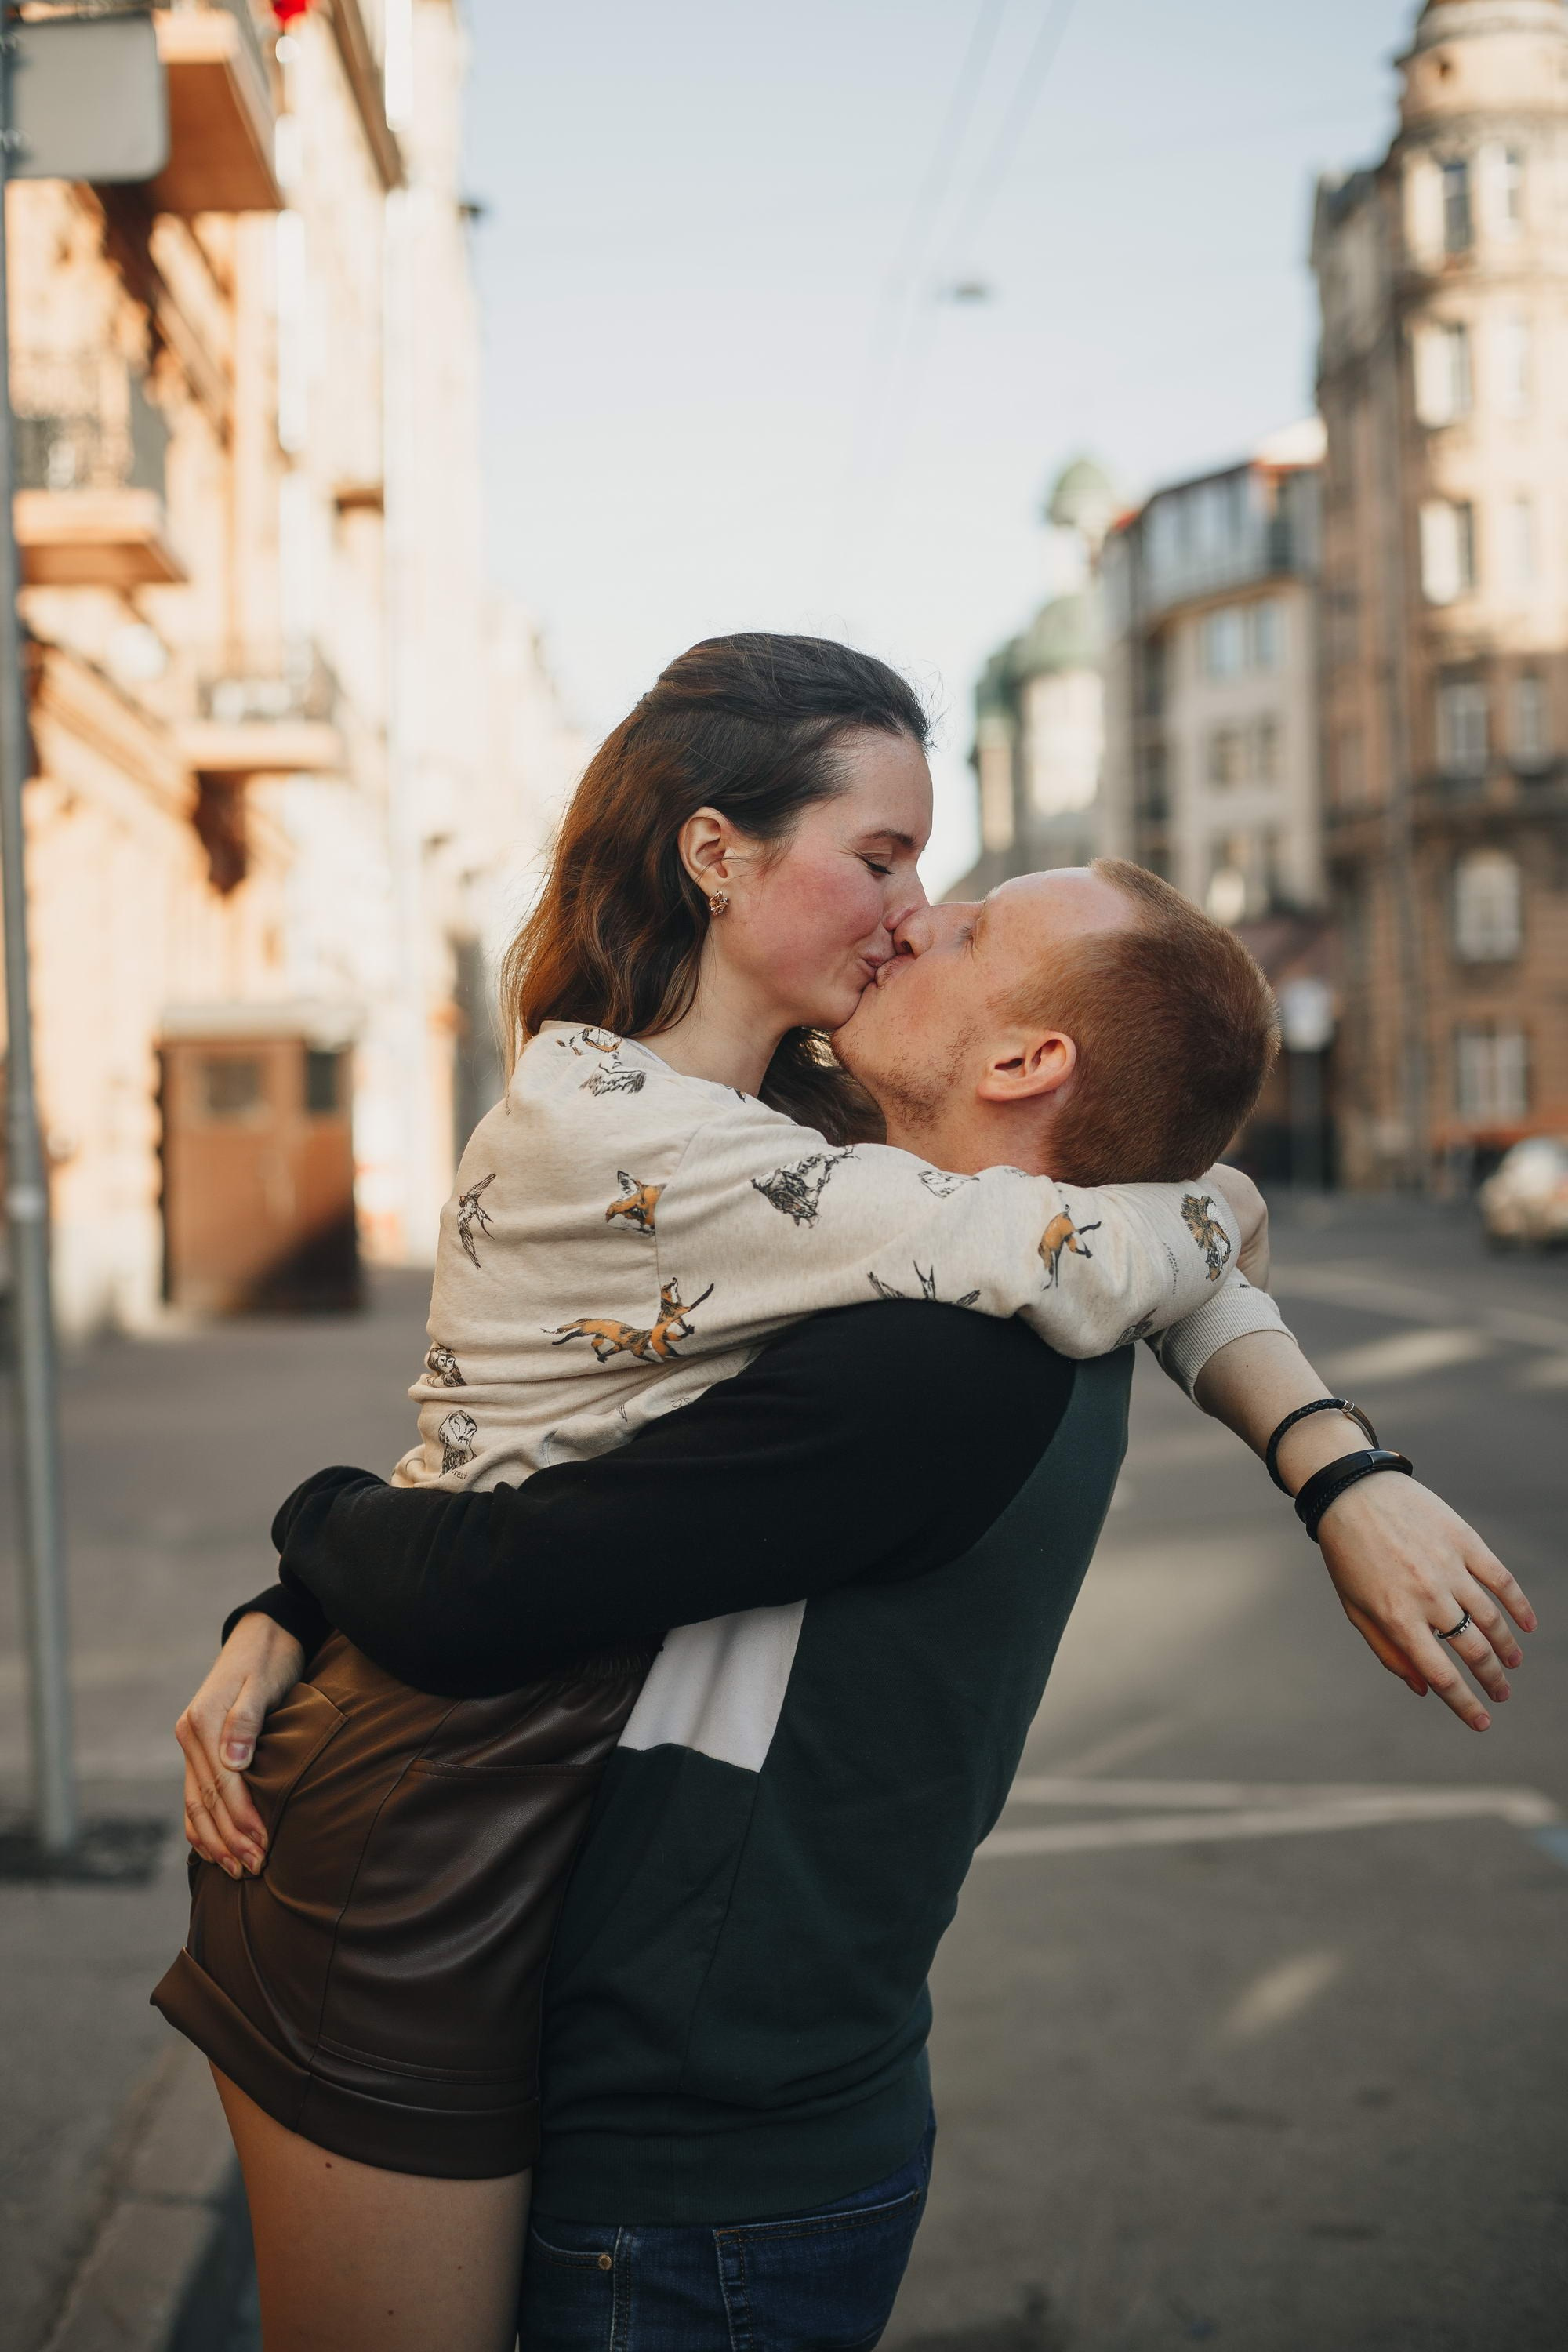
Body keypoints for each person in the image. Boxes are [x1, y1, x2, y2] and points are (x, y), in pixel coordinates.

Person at [167, 637, 1532, 2352]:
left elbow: (488, 1574)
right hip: (505, 1918)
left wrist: (305, 1540)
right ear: (713, 852)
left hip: (641, 2073)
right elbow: (549, 1458)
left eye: (944, 907)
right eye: (887, 864)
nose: (909, 913)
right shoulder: (803, 1179)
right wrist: (1331, 1455)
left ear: (1029, 1063)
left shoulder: (927, 1338)